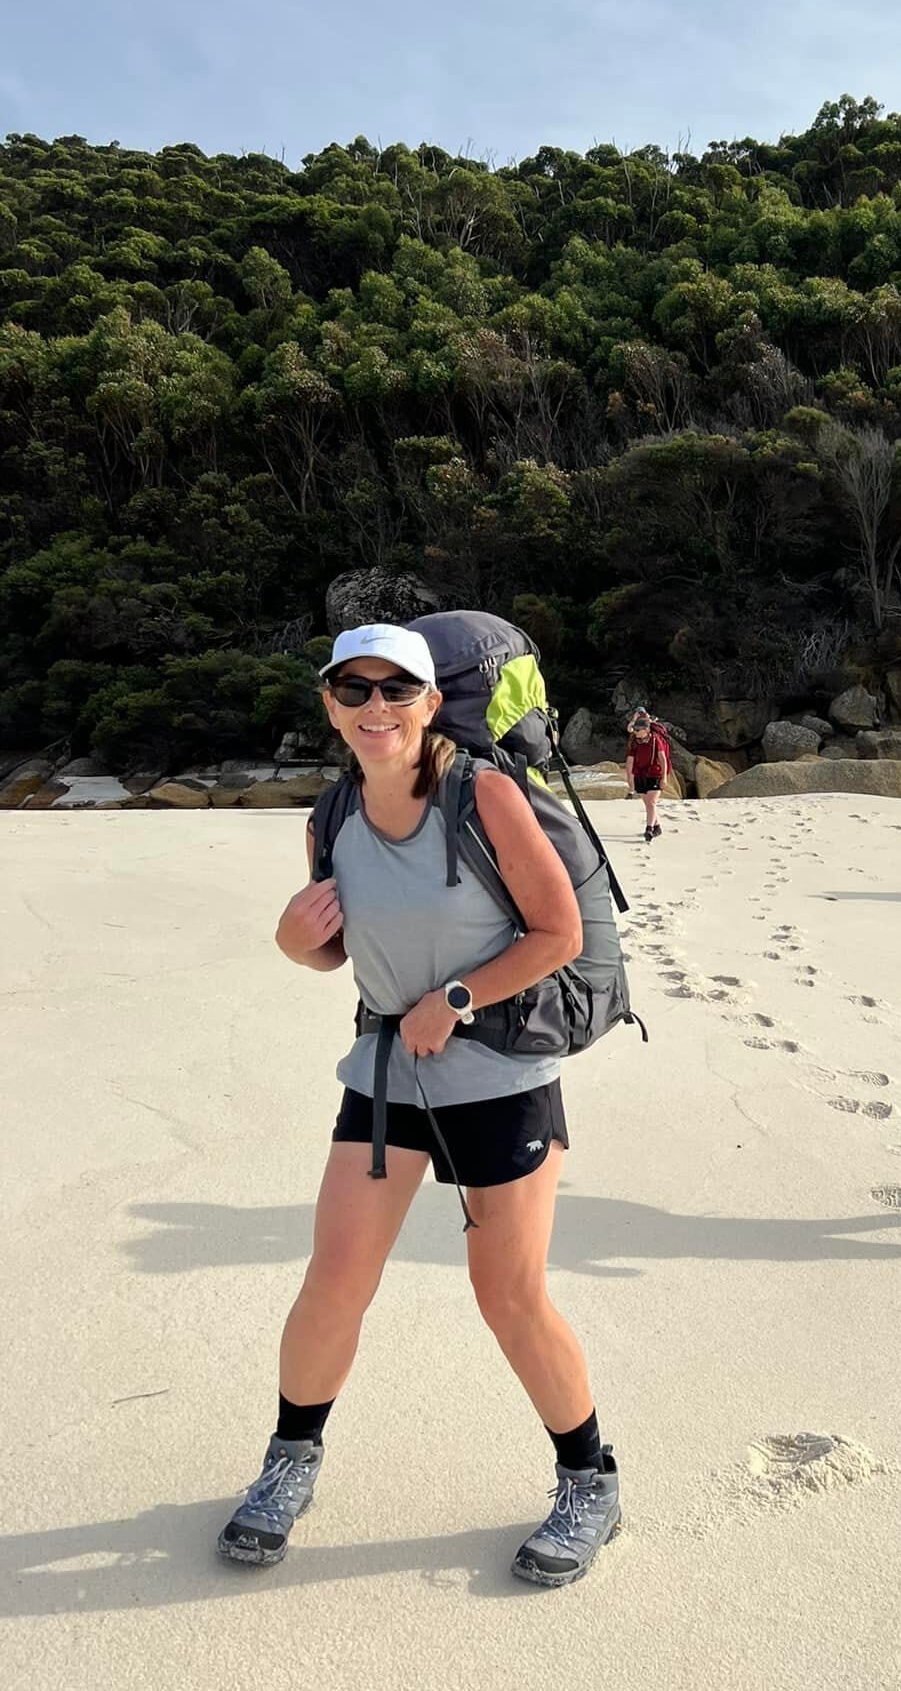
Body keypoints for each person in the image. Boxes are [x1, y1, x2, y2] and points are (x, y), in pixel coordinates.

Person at [217, 622, 621, 1586]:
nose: (374, 709)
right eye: (351, 691)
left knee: (508, 1294)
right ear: (328, 705)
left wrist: (455, 999)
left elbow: (558, 932)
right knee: (334, 1280)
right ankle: (289, 1462)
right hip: (388, 1072)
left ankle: (589, 1480)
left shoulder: (481, 796)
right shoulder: (330, 816)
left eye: (396, 690)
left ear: (431, 702)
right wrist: (291, 941)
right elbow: (332, 949)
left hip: (500, 1078)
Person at [624, 708, 670, 842]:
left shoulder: (656, 740)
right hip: (640, 775)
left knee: (651, 802)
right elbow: (630, 761)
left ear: (647, 729)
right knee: (649, 804)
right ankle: (657, 827)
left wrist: (664, 777)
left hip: (654, 774)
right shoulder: (634, 742)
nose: (636, 732)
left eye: (638, 730)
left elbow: (662, 759)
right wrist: (630, 781)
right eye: (636, 730)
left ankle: (648, 829)